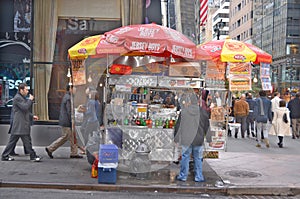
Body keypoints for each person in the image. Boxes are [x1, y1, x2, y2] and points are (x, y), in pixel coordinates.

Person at [174, 92, 211, 182]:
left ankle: (183, 176)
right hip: (199, 139)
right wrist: (209, 139)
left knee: (185, 157)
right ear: (198, 102)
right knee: (198, 158)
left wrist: (176, 139)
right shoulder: (203, 112)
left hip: (187, 139)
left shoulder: (184, 112)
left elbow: (178, 126)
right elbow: (207, 126)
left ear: (190, 102)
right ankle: (198, 177)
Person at [1, 83, 42, 162]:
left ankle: (5, 155)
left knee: (16, 141)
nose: (27, 91)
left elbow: (24, 111)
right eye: (26, 90)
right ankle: (33, 156)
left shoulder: (21, 98)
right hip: (20, 124)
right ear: (21, 90)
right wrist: (30, 100)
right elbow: (25, 107)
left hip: (21, 124)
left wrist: (32, 116)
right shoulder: (17, 98)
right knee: (26, 141)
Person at [45, 85, 83, 159]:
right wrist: (72, 121)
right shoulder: (68, 98)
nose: (76, 90)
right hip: (67, 121)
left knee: (73, 137)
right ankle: (50, 148)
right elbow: (69, 111)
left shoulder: (68, 97)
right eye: (75, 88)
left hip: (66, 120)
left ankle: (74, 153)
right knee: (65, 136)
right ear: (70, 89)